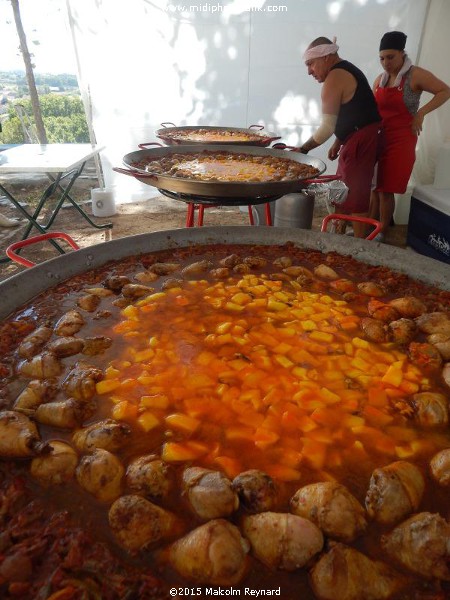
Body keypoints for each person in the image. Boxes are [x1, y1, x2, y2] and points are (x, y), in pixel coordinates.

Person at [298, 36, 382, 238]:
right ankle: (338, 236)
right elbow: (354, 111)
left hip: (362, 140)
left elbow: (327, 127)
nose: (309, 71)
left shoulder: (335, 77)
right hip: (357, 138)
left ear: (326, 57)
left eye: (311, 64)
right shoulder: (345, 70)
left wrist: (302, 150)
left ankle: (360, 246)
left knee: (355, 195)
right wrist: (340, 140)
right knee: (343, 190)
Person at [369, 31, 450, 240]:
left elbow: (444, 91)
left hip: (402, 139)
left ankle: (382, 231)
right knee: (374, 186)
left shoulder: (416, 75)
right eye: (381, 58)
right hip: (380, 137)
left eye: (390, 57)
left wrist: (421, 113)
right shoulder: (380, 79)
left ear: (402, 53)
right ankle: (370, 227)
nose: (385, 63)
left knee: (386, 188)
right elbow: (370, 107)